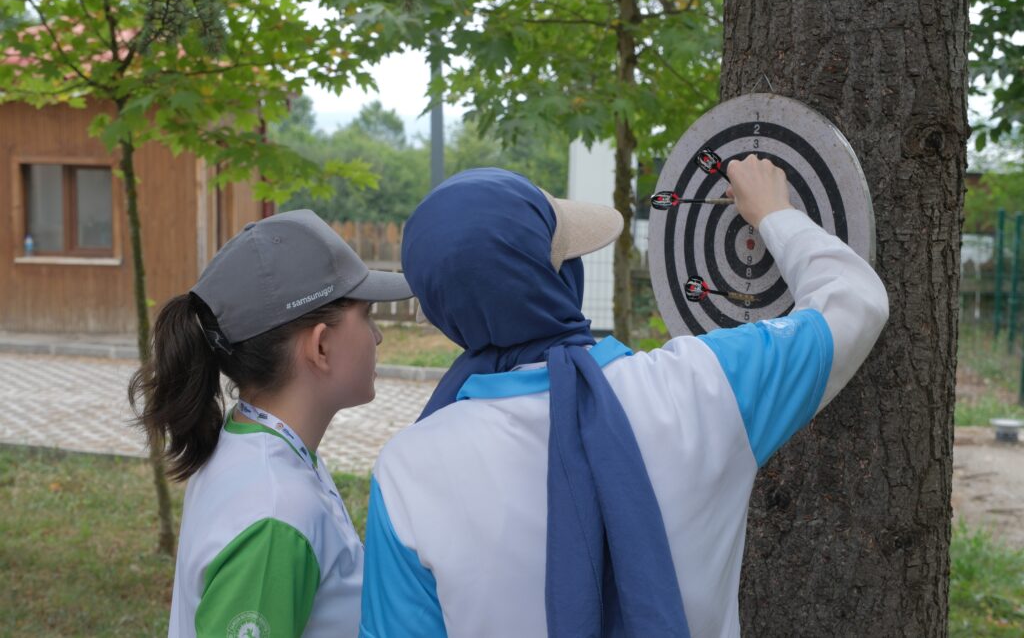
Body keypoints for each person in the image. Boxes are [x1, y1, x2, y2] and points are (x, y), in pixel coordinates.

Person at [358, 158, 889, 638]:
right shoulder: (702, 387)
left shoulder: (409, 469)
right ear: (562, 275)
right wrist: (774, 212)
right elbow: (854, 303)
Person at [128, 209, 412, 638]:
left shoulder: (259, 446)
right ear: (320, 346)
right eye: (367, 315)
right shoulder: (276, 511)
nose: (377, 336)